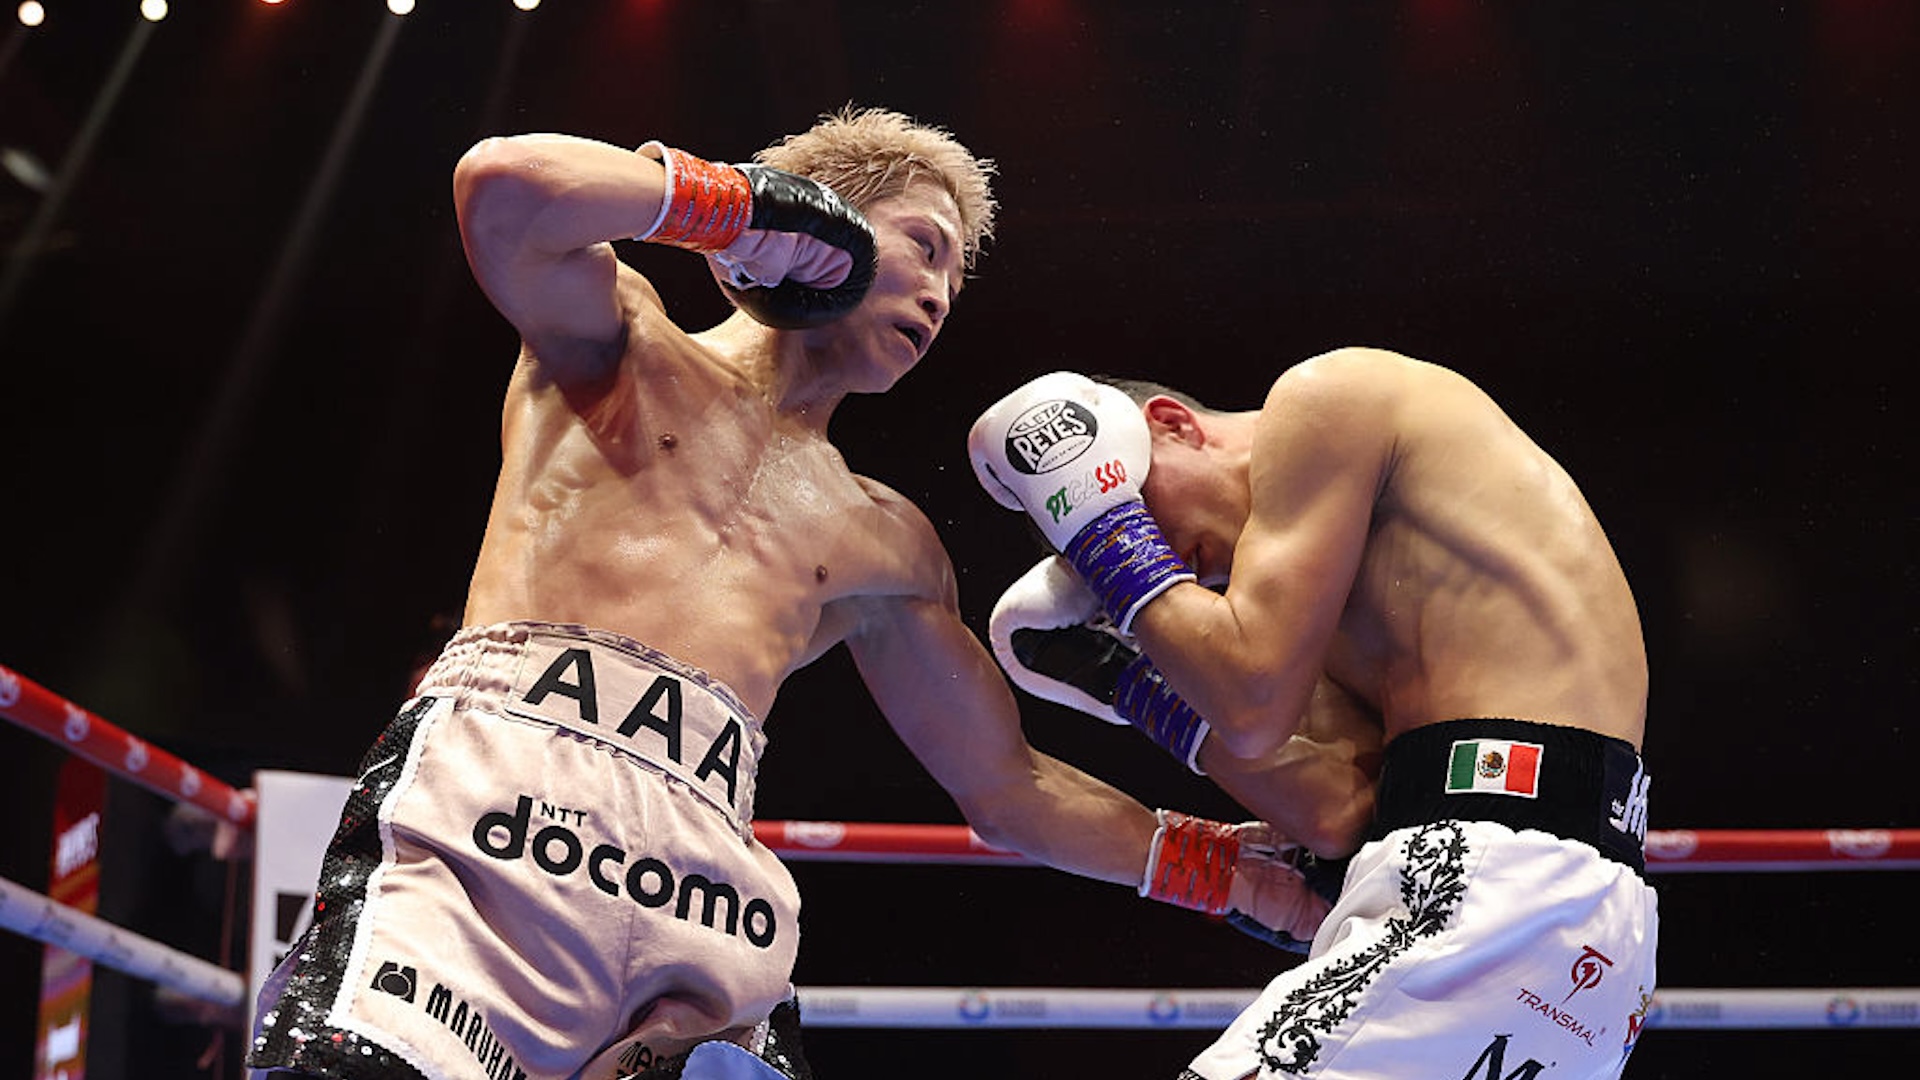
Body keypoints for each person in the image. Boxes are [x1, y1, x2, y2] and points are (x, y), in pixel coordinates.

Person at [246, 108, 1336, 1080]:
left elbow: (1006, 788)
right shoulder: (620, 338)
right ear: (830, 229)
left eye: (955, 279)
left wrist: (1223, 873)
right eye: (923, 248)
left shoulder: (887, 541)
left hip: (697, 899)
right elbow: (503, 186)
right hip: (489, 823)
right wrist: (735, 211)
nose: (940, 294)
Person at [969, 352, 1658, 1080]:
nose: (1163, 559)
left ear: (1170, 427)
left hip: (1497, 894)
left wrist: (1107, 535)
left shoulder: (1329, 396)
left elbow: (1250, 704)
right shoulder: (1321, 605)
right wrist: (1129, 680)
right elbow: (1334, 812)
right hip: (1563, 934)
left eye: (1143, 516)